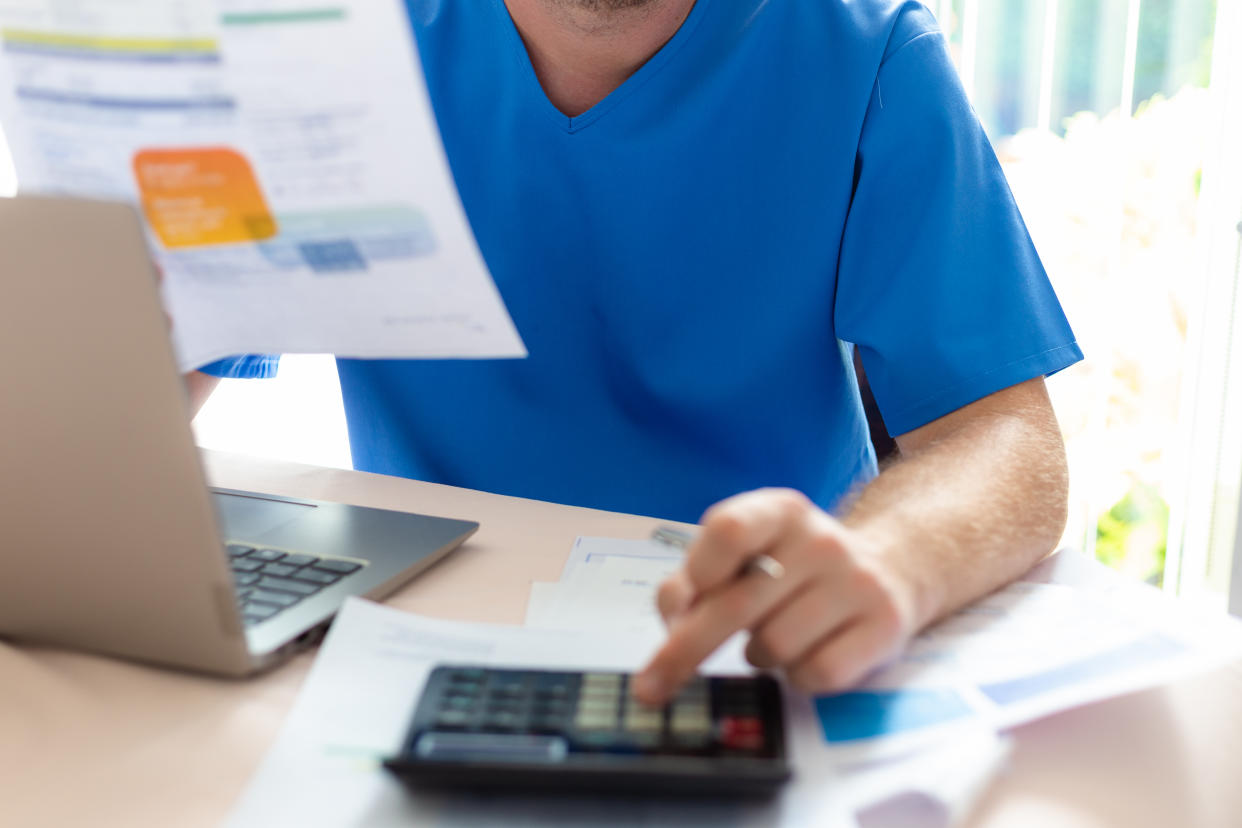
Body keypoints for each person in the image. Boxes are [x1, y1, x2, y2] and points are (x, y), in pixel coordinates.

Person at [188, 0, 1082, 706]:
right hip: (414, 641)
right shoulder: (328, 52)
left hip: (752, 640)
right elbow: (131, 381)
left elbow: (1006, 437)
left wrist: (894, 563)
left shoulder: (869, 46)